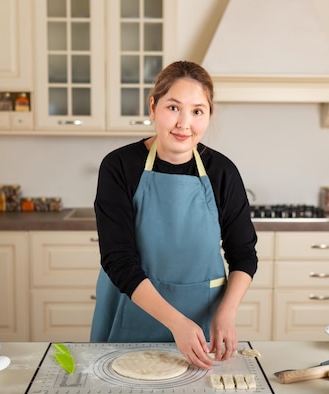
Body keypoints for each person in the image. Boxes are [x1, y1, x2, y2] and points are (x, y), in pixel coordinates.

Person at [90, 61, 258, 370]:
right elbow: (118, 259)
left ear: (208, 116)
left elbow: (243, 254)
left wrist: (226, 313)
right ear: (153, 106)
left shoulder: (222, 172)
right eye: (173, 107)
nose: (184, 123)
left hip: (201, 325)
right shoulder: (119, 167)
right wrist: (175, 323)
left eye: (197, 111)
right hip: (131, 311)